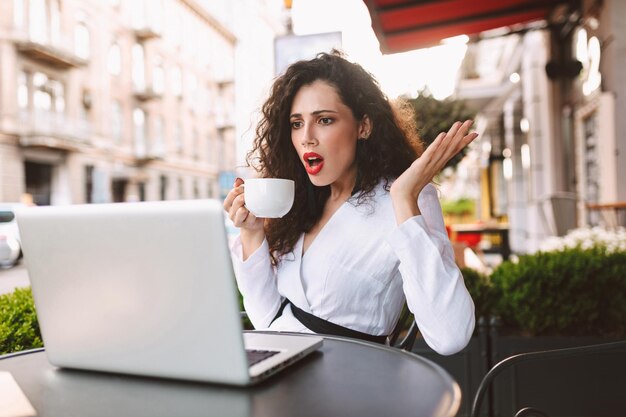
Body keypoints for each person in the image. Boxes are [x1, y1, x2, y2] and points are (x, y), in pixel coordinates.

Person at [224, 52, 477, 355]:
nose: (306, 137)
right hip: (281, 364)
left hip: (350, 379)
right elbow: (269, 318)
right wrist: (252, 233)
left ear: (363, 126)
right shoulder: (303, 198)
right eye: (296, 123)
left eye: (324, 120)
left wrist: (404, 199)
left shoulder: (407, 197)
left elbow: (451, 336)